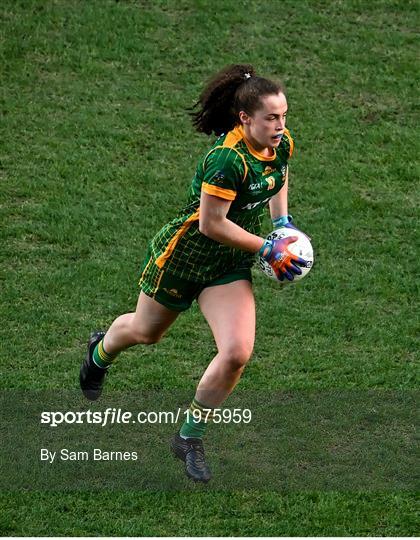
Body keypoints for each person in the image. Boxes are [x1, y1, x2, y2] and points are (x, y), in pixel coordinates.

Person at [80, 64, 307, 483]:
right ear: (245, 118)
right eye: (271, 118)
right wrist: (266, 247)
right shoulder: (225, 160)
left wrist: (283, 224)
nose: (280, 126)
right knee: (146, 333)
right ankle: (100, 352)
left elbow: (279, 175)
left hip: (227, 264)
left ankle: (189, 436)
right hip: (184, 258)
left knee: (237, 351)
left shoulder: (280, 143)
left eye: (284, 116)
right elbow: (211, 224)